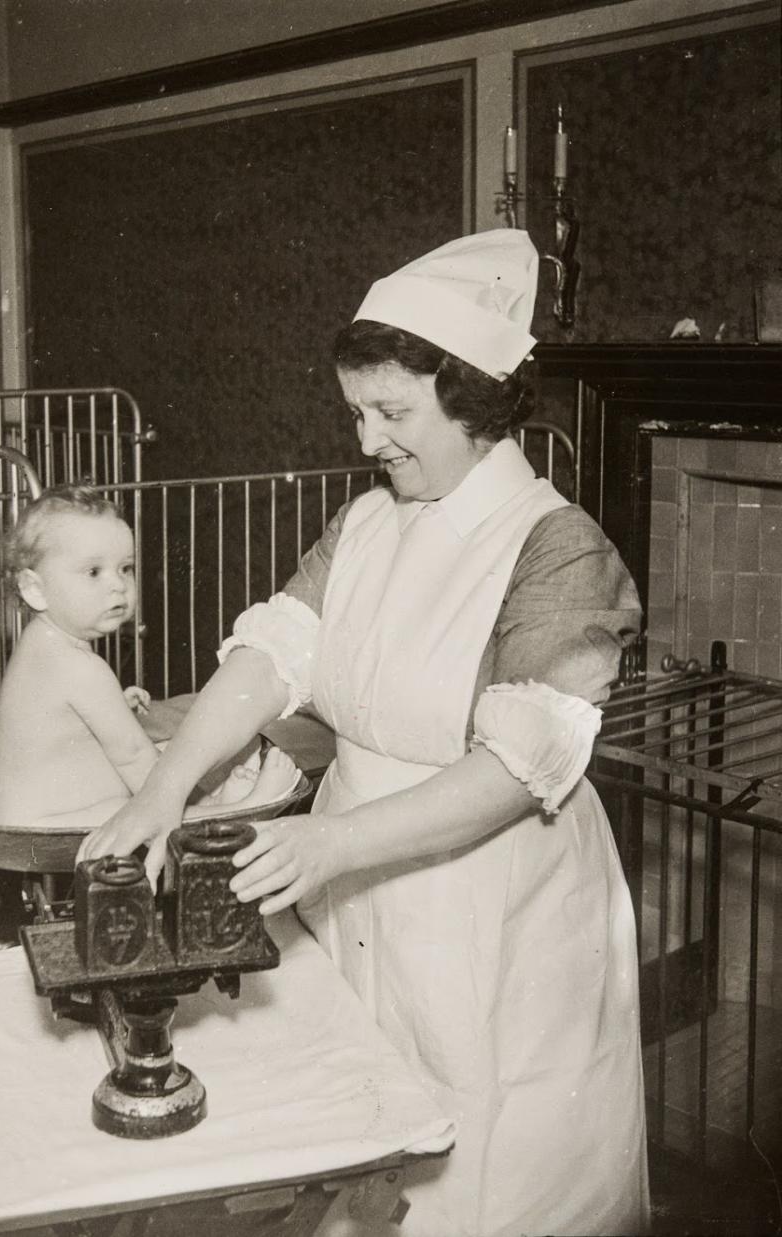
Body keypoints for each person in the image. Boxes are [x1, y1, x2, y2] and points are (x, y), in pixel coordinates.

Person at [79, 231, 649, 1236]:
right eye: (356, 411)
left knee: (488, 1162)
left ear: (471, 401)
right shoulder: (368, 522)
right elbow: (271, 656)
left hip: (493, 889)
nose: (368, 438)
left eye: (393, 412)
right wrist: (161, 788)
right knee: (362, 1146)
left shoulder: (560, 549)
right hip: (350, 874)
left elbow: (519, 770)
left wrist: (331, 842)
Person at [0, 485, 296, 831]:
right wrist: (191, 797)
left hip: (26, 814)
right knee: (143, 804)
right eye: (93, 571)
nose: (118, 585)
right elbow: (132, 755)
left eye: (125, 568)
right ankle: (222, 810)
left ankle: (210, 804)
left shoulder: (40, 642)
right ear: (35, 589)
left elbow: (54, 721)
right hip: (47, 824)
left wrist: (113, 704)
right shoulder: (80, 667)